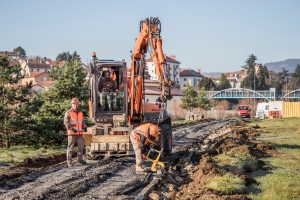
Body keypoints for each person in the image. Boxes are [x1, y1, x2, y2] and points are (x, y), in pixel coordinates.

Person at [64, 98, 88, 167]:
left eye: (76, 104)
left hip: (80, 133)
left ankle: (79, 159)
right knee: (70, 147)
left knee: (81, 146)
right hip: (72, 133)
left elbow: (83, 122)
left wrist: (85, 127)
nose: (75, 105)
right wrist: (71, 129)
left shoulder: (81, 112)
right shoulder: (68, 113)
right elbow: (66, 122)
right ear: (72, 105)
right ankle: (69, 161)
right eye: (74, 104)